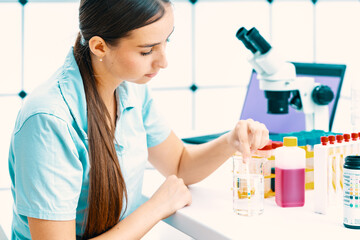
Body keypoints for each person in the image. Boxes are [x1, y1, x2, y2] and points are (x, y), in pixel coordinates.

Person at [8, 0, 269, 239]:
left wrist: (230, 141)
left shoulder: (130, 89)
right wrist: (155, 207)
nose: (164, 61)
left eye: (167, 41)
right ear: (99, 46)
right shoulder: (49, 120)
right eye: (147, 51)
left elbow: (179, 165)